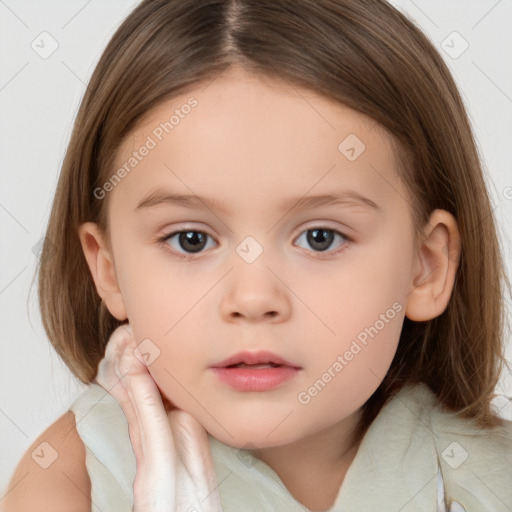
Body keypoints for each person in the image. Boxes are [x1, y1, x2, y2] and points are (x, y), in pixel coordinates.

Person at [3, 0, 511, 511]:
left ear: (426, 267)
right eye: (191, 240)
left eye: (320, 238)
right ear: (108, 269)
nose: (253, 298)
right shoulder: (70, 484)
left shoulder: (489, 480)